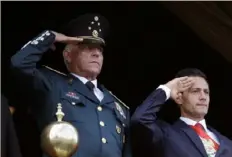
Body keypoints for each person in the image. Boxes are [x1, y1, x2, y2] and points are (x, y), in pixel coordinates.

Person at [10, 13, 131, 157]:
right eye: (87, 48)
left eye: (100, 50)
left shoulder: (119, 106)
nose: (96, 54)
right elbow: (19, 64)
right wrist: (50, 37)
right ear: (68, 55)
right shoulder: (52, 84)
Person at [131, 68, 232, 157]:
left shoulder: (228, 143)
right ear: (179, 98)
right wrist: (167, 88)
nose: (203, 97)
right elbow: (140, 120)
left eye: (206, 92)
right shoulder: (166, 134)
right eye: (195, 91)